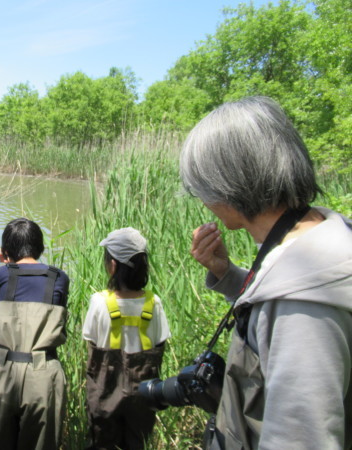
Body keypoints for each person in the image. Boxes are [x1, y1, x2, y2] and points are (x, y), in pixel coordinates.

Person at [179, 96, 352, 449]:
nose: (202, 200)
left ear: (228, 186)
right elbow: (271, 307)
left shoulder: (306, 304)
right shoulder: (318, 234)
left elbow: (301, 437)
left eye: (202, 188)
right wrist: (226, 273)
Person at [0, 218, 70, 450]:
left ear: (6, 250)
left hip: (2, 370)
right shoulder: (59, 278)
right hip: (43, 373)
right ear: (40, 248)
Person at [82, 227, 171, 449]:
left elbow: (89, 342)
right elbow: (161, 344)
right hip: (143, 395)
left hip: (105, 392)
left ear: (112, 266)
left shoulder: (99, 302)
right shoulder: (154, 303)